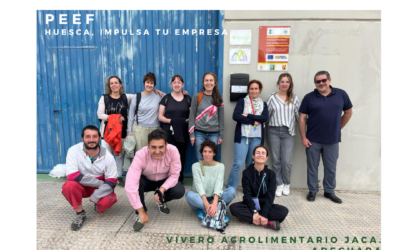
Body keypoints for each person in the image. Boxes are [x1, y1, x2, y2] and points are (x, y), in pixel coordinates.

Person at [299, 70, 353, 204]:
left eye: (324, 80)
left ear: (329, 80)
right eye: (318, 81)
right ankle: (312, 191)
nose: (321, 83)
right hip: (313, 139)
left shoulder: (341, 94)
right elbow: (302, 118)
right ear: (315, 83)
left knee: (331, 167)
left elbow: (348, 112)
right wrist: (304, 137)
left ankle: (329, 191)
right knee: (312, 167)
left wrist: (337, 127)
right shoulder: (309, 97)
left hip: (332, 140)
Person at [125, 129, 185, 232]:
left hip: (164, 181)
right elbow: (130, 185)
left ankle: (161, 200)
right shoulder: (140, 154)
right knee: (136, 184)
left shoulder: (173, 151)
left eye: (161, 147)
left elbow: (174, 175)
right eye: (153, 147)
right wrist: (141, 211)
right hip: (147, 180)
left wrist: (162, 189)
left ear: (166, 145)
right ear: (148, 145)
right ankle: (141, 213)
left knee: (179, 190)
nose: (157, 151)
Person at [62, 125, 118, 231]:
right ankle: (80, 213)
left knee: (108, 201)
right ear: (82, 138)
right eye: (88, 137)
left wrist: (97, 195)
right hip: (84, 185)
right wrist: (98, 183)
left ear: (99, 138)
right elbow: (72, 175)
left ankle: (98, 204)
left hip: (100, 187)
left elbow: (111, 181)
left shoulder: (108, 156)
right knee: (69, 186)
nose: (91, 140)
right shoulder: (73, 150)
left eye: (94, 136)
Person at [229, 146, 289, 231]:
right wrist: (254, 211)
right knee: (233, 208)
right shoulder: (246, 173)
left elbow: (270, 196)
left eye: (263, 153)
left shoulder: (271, 174)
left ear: (266, 157)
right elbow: (247, 195)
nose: (260, 155)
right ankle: (267, 223)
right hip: (251, 204)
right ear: (253, 156)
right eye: (258, 153)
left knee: (283, 211)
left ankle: (254, 219)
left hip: (265, 204)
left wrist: (264, 213)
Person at [226, 79, 269, 190]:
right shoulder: (242, 101)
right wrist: (253, 121)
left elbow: (265, 118)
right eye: (251, 88)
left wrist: (248, 116)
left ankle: (248, 187)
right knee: (238, 163)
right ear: (248, 90)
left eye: (256, 88)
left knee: (251, 164)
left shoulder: (263, 104)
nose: (254, 91)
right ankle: (231, 187)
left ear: (259, 90)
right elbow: (236, 116)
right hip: (243, 137)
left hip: (256, 138)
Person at [266, 73, 300, 197]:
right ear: (278, 83)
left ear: (290, 84)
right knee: (276, 160)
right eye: (282, 81)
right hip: (273, 131)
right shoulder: (271, 97)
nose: (284, 84)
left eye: (287, 82)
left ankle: (287, 183)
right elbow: (266, 116)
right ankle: (279, 184)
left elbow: (298, 117)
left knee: (286, 161)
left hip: (288, 132)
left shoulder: (294, 98)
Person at [185, 140, 236, 222]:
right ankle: (213, 210)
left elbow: (218, 184)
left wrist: (215, 203)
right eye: (205, 151)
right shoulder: (195, 166)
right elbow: (199, 185)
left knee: (232, 191)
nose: (207, 154)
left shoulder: (220, 166)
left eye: (210, 152)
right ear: (201, 152)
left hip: (215, 198)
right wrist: (207, 204)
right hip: (200, 199)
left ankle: (206, 211)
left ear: (214, 153)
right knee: (188, 195)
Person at [97, 76, 133, 187]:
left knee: (119, 155)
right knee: (106, 156)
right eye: (111, 83)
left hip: (121, 133)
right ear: (109, 86)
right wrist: (116, 118)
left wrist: (157, 91)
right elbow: (100, 114)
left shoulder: (126, 97)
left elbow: (143, 96)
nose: (114, 85)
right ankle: (107, 177)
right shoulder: (104, 98)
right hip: (107, 133)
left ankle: (118, 176)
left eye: (116, 82)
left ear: (120, 84)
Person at [158, 75, 192, 183]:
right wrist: (172, 121)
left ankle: (179, 180)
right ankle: (167, 180)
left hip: (183, 132)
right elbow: (160, 116)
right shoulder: (166, 98)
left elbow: (192, 115)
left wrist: (185, 121)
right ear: (171, 84)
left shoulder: (187, 98)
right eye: (174, 82)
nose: (176, 84)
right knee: (167, 156)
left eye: (179, 82)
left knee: (181, 156)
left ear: (183, 85)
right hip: (168, 133)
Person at [189, 72, 224, 161]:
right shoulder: (197, 96)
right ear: (203, 82)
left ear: (215, 83)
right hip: (199, 133)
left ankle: (210, 176)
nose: (209, 83)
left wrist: (221, 135)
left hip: (214, 133)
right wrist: (192, 134)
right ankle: (201, 175)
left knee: (211, 160)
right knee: (200, 159)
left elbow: (221, 118)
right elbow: (192, 115)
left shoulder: (219, 98)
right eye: (206, 80)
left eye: (211, 80)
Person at [127, 72, 165, 155]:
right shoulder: (137, 97)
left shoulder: (158, 95)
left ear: (154, 84)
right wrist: (129, 132)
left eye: (152, 83)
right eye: (147, 82)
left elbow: (172, 97)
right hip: (139, 130)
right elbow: (131, 116)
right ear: (144, 83)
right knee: (141, 155)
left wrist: (183, 93)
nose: (149, 85)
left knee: (155, 154)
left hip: (155, 129)